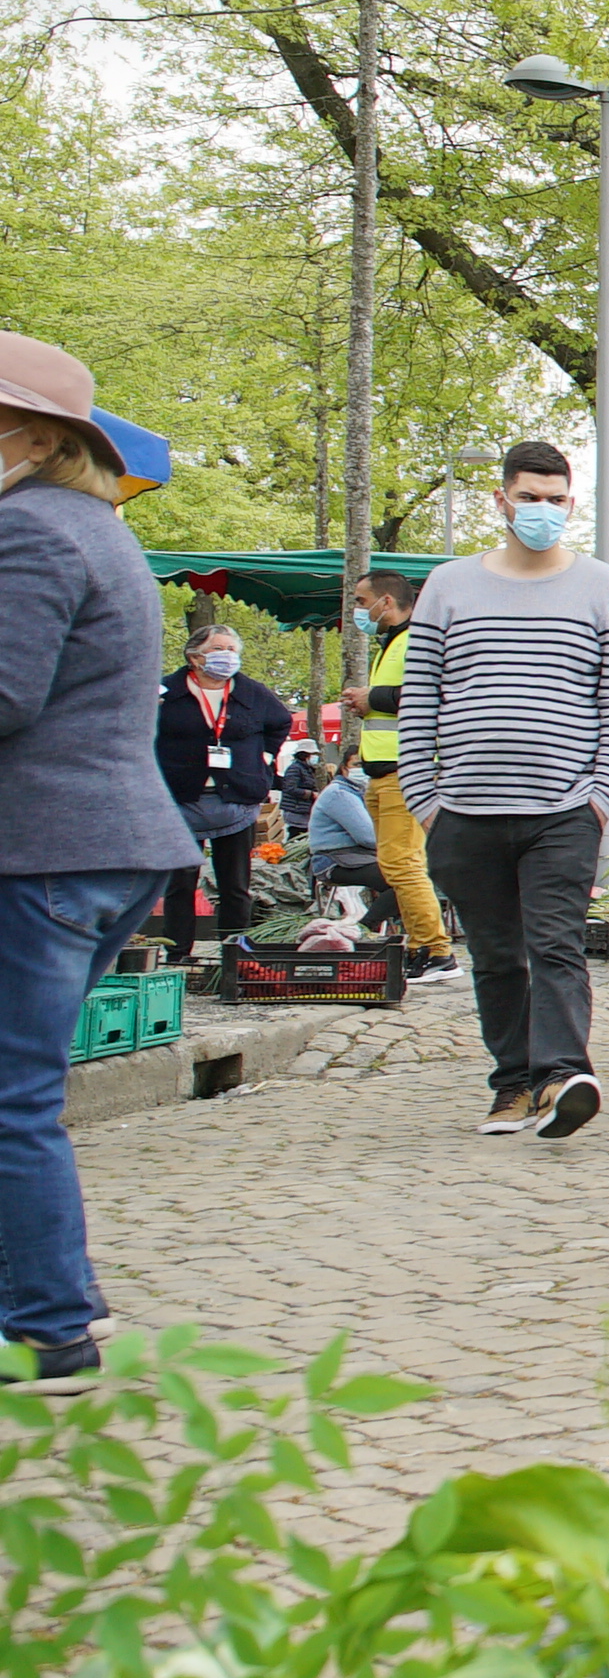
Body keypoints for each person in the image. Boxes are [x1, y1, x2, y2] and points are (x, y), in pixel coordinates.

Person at [0, 335, 200, 1388]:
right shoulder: (91, 527)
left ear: (38, 437)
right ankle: (50, 1296)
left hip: (48, 851)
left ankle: (49, 1327)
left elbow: (4, 694)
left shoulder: (29, 532)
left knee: (11, 1095)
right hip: (97, 848)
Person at [400, 437, 609, 1142]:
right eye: (529, 497)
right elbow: (420, 699)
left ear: (572, 503)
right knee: (498, 955)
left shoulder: (601, 586)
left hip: (564, 810)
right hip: (465, 813)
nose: (542, 510)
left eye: (556, 499)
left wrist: (601, 796)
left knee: (556, 944)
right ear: (501, 499)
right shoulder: (448, 585)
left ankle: (563, 1076)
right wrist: (426, 798)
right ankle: (512, 1085)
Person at [150, 624, 295, 967]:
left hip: (236, 798)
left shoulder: (253, 693)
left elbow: (280, 723)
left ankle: (234, 952)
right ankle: (178, 952)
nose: (228, 657)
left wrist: (265, 757)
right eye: (219, 649)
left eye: (233, 649)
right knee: (180, 883)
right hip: (180, 797)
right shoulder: (164, 691)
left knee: (235, 884)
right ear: (195, 656)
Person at [351, 569, 464, 985]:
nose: (357, 611)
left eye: (362, 602)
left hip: (408, 771)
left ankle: (436, 951)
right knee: (395, 865)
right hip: (384, 771)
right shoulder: (392, 644)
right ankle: (422, 946)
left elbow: (433, 695)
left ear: (387, 601)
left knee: (404, 865)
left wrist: (372, 698)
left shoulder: (417, 639)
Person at [306, 761, 386, 903]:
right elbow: (368, 837)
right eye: (356, 764)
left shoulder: (359, 792)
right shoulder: (340, 794)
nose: (361, 770)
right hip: (334, 861)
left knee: (410, 877)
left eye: (364, 765)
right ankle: (365, 924)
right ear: (343, 768)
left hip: (355, 857)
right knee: (401, 880)